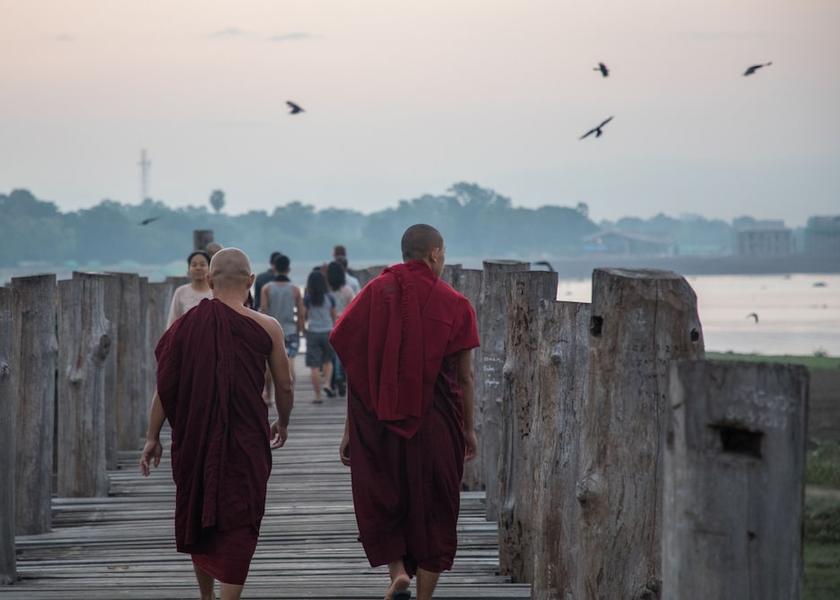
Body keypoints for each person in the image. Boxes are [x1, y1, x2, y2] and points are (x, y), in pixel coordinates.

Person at [330, 224, 479, 600]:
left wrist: (351, 427)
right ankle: (425, 597)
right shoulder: (456, 302)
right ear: (434, 254)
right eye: (442, 254)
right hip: (436, 420)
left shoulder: (373, 293)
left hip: (377, 416)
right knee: (436, 508)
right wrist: (469, 429)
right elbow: (465, 377)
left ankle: (398, 573)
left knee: (383, 494)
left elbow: (354, 362)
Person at [140, 248, 294, 600]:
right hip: (247, 438)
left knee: (199, 507)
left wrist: (152, 436)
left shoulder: (183, 327)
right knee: (241, 515)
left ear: (208, 281)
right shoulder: (267, 326)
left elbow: (165, 387)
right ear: (251, 281)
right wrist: (282, 422)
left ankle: (206, 595)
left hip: (195, 437)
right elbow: (285, 384)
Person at [260, 254, 305, 382]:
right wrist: (300, 330)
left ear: (274, 268)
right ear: (288, 269)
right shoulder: (295, 289)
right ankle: (289, 391)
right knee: (290, 361)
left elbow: (263, 310)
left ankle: (268, 396)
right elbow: (301, 313)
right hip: (290, 330)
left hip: (271, 331)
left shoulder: (267, 288)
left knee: (269, 363)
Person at [304, 269, 337, 403]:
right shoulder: (330, 298)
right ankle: (327, 384)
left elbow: (303, 315)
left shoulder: (307, 299)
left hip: (313, 332)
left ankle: (317, 396)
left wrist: (303, 329)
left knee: (314, 366)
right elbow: (334, 316)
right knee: (328, 361)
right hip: (328, 331)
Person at [326, 261, 356, 397]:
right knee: (339, 354)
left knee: (331, 355)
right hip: (343, 325)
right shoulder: (348, 290)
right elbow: (354, 308)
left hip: (328, 325)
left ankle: (332, 381)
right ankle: (339, 376)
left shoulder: (326, 290)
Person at [167, 251, 213, 327]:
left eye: (202, 265)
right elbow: (172, 321)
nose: (198, 268)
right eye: (194, 265)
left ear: (209, 269)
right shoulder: (181, 292)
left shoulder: (215, 292)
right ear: (188, 269)